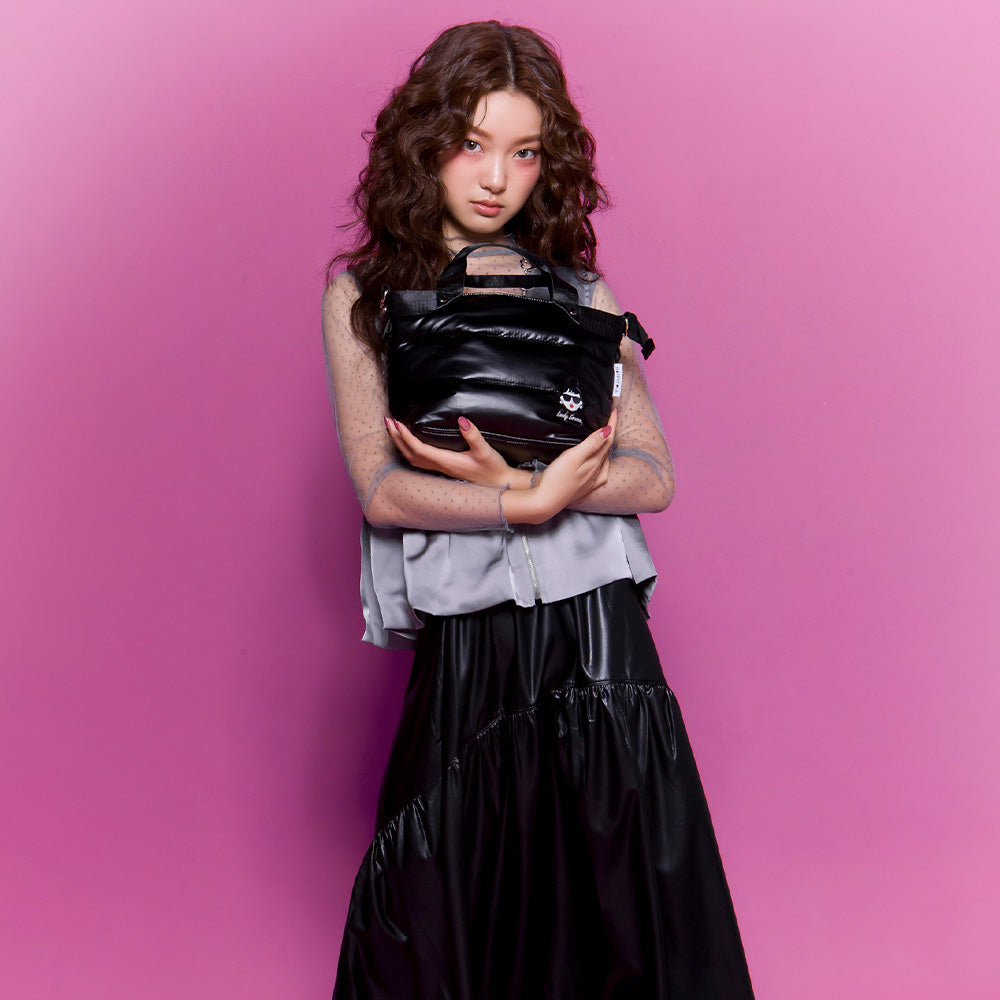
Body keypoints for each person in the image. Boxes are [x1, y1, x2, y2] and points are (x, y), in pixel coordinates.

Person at [321, 20, 755, 999]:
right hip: (469, 631)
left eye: (522, 153)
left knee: (617, 895)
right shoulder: (363, 300)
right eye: (473, 143)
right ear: (424, 141)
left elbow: (652, 473)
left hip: (596, 630)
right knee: (447, 897)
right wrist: (523, 500)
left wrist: (558, 490)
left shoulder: (580, 292)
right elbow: (382, 490)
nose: (494, 179)